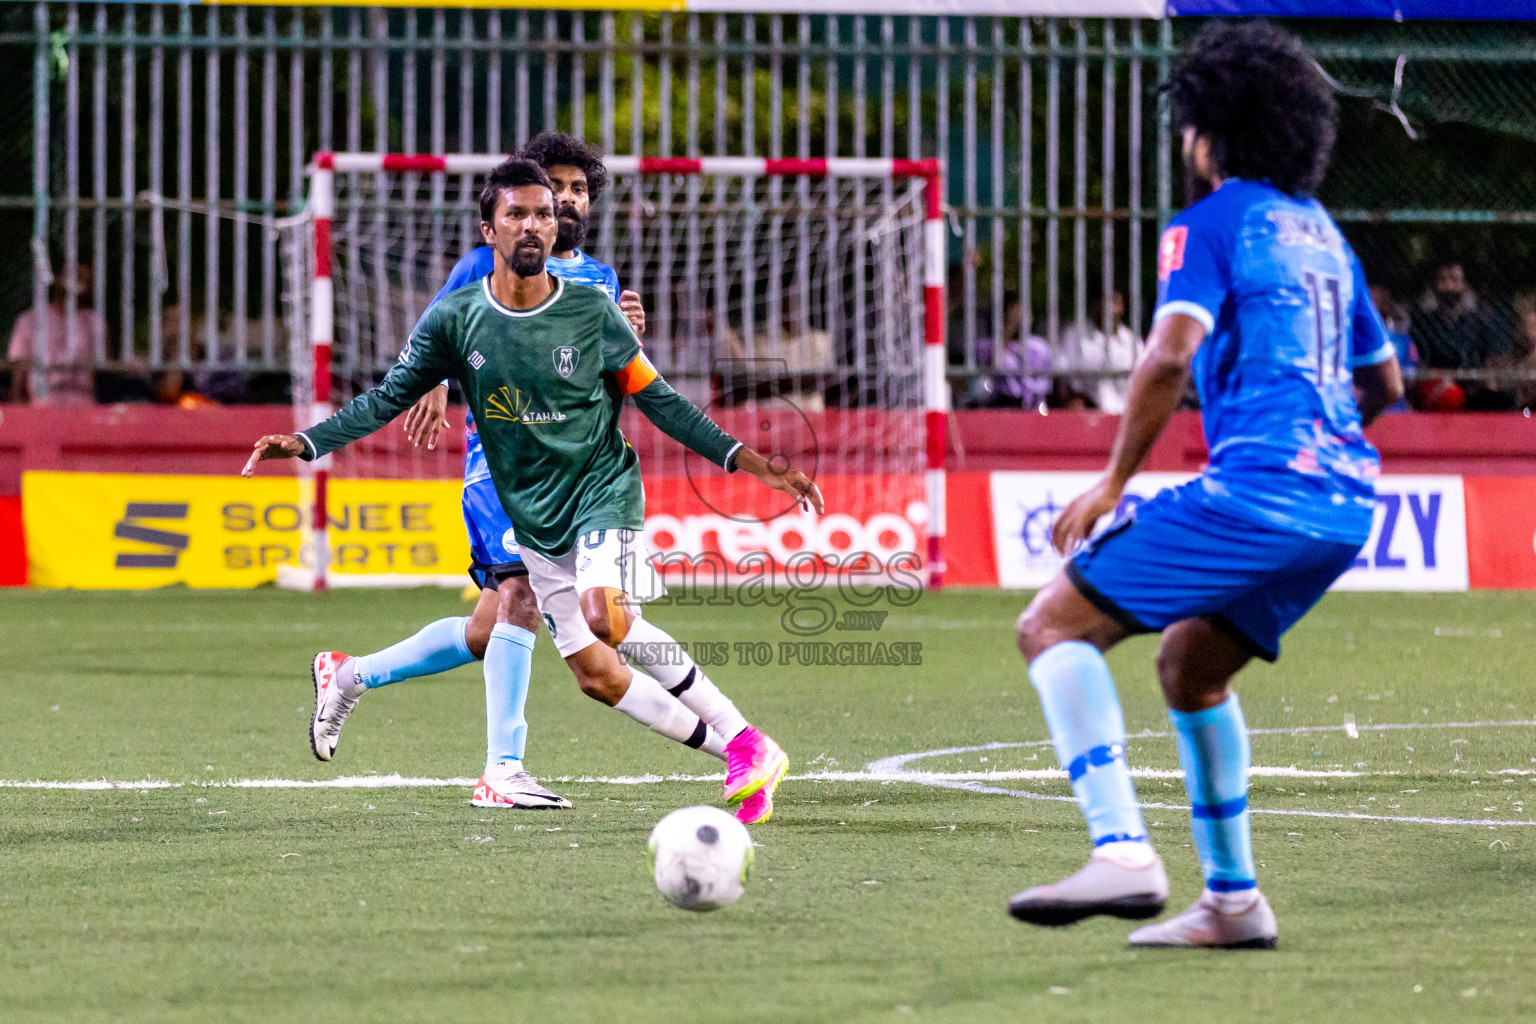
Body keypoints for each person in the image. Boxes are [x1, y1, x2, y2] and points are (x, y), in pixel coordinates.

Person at [244, 158, 818, 825]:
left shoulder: (592, 303)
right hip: (527, 504)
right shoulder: (458, 314)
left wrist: (749, 460)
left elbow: (659, 400)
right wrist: (308, 442)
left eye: (545, 212)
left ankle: (742, 741)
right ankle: (741, 762)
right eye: (518, 213)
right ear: (488, 228)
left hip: (602, 489)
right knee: (594, 674)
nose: (535, 224)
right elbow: (385, 396)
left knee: (601, 614)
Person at [1005, 22, 1402, 949]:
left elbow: (1167, 355)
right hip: (1345, 504)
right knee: (1191, 669)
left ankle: (1123, 855)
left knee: (1051, 627)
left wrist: (1111, 483)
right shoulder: (1323, 234)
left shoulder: (1210, 223)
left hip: (1259, 493)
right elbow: (1381, 384)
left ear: (1210, 132)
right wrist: (1321, 447)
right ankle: (1232, 902)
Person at [295, 135, 652, 813]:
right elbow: (440, 333)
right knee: (520, 591)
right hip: (500, 465)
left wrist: (631, 340)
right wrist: (432, 385)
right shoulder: (480, 264)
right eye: (555, 189)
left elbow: (605, 383)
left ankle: (350, 674)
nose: (564, 201)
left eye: (579, 190)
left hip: (569, 478)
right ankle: (502, 770)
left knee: (491, 627)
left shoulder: (601, 280)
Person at [7, 263, 100, 405]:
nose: (79, 282)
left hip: (83, 404)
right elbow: (19, 370)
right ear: (57, 280)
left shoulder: (93, 322)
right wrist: (19, 411)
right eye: (75, 276)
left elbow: (100, 372)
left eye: (85, 279)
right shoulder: (29, 320)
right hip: (41, 405)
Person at [1057, 291, 1142, 414]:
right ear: (1094, 304)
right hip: (1086, 415)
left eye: (1115, 302)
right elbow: (1064, 377)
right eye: (1104, 301)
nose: (1109, 307)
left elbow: (1143, 382)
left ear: (1123, 307)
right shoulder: (1074, 335)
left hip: (1125, 416)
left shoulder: (1133, 343)